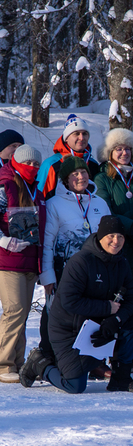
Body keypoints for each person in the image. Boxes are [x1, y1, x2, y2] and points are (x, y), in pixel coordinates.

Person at [20, 217, 133, 393]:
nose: (116, 241)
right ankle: (39, 363)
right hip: (69, 329)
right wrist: (106, 308)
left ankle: (121, 378)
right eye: (111, 236)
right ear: (100, 236)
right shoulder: (81, 261)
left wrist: (116, 320)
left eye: (120, 236)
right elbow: (69, 301)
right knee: (74, 386)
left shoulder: (122, 263)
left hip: (99, 326)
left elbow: (131, 299)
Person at [0, 145, 43, 383]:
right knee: (14, 310)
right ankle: (3, 364)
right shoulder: (4, 185)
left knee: (23, 314)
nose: (32, 167)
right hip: (7, 260)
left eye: (36, 164)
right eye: (27, 163)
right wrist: (3, 240)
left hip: (29, 259)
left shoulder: (36, 189)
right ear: (16, 162)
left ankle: (16, 362)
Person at [41, 155, 111, 296]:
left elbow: (111, 236)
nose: (81, 177)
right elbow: (47, 243)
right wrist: (47, 275)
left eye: (84, 172)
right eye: (75, 174)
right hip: (66, 272)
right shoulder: (53, 204)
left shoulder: (100, 203)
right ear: (66, 179)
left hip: (99, 270)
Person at [93, 128, 133, 272]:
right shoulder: (102, 179)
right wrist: (131, 227)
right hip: (116, 242)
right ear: (110, 152)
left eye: (128, 149)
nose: (124, 153)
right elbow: (104, 209)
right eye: (118, 149)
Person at [36, 114, 100, 199]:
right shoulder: (52, 164)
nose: (81, 138)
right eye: (76, 134)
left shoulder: (93, 164)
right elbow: (40, 197)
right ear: (66, 138)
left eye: (84, 134)